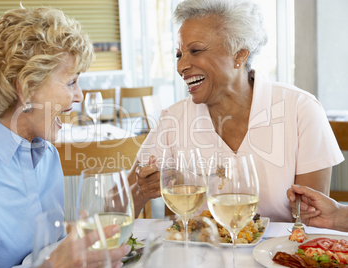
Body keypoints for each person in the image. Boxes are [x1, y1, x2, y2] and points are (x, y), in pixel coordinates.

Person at [127, 0, 344, 222]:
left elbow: (310, 223)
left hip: (278, 255)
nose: (181, 66)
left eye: (195, 50)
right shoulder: (173, 119)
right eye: (179, 55)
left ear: (239, 54)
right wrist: (139, 191)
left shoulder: (300, 109)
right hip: (200, 253)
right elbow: (114, 208)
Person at [0, 7, 128, 267]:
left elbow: (52, 250)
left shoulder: (47, 155)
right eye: (71, 82)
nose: (80, 96)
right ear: (27, 87)